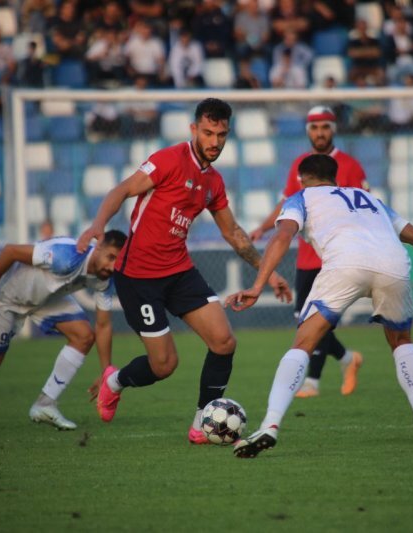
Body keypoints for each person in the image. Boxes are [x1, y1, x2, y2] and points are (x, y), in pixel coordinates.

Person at [77, 98, 292, 444]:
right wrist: (98, 225)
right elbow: (122, 189)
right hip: (138, 277)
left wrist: (267, 272)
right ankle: (113, 382)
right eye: (208, 132)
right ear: (194, 129)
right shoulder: (168, 160)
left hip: (178, 270)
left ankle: (200, 425)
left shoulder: (214, 182)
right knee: (164, 365)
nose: (215, 141)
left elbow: (233, 232)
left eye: (221, 134)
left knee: (223, 342)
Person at [226, 154, 413, 458]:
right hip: (393, 265)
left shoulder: (302, 196)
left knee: (303, 343)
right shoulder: (368, 198)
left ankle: (270, 426)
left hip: (346, 265)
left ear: (302, 178)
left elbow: (282, 235)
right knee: (402, 342)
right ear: (336, 178)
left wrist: (258, 285)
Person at [0, 230, 127, 433]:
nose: (112, 267)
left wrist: (106, 372)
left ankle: (45, 403)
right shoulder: (66, 256)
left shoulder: (105, 279)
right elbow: (10, 251)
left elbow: (103, 325)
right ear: (99, 246)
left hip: (45, 300)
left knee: (84, 336)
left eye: (117, 262)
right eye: (110, 257)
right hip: (9, 297)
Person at [249, 106, 365, 399]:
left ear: (333, 129)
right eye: (315, 128)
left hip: (336, 257)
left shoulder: (351, 166)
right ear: (308, 131)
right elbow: (288, 203)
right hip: (307, 257)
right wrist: (263, 228)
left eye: (325, 126)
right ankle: (348, 359)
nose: (320, 132)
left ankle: (312, 381)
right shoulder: (299, 165)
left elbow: (363, 208)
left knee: (318, 318)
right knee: (305, 317)